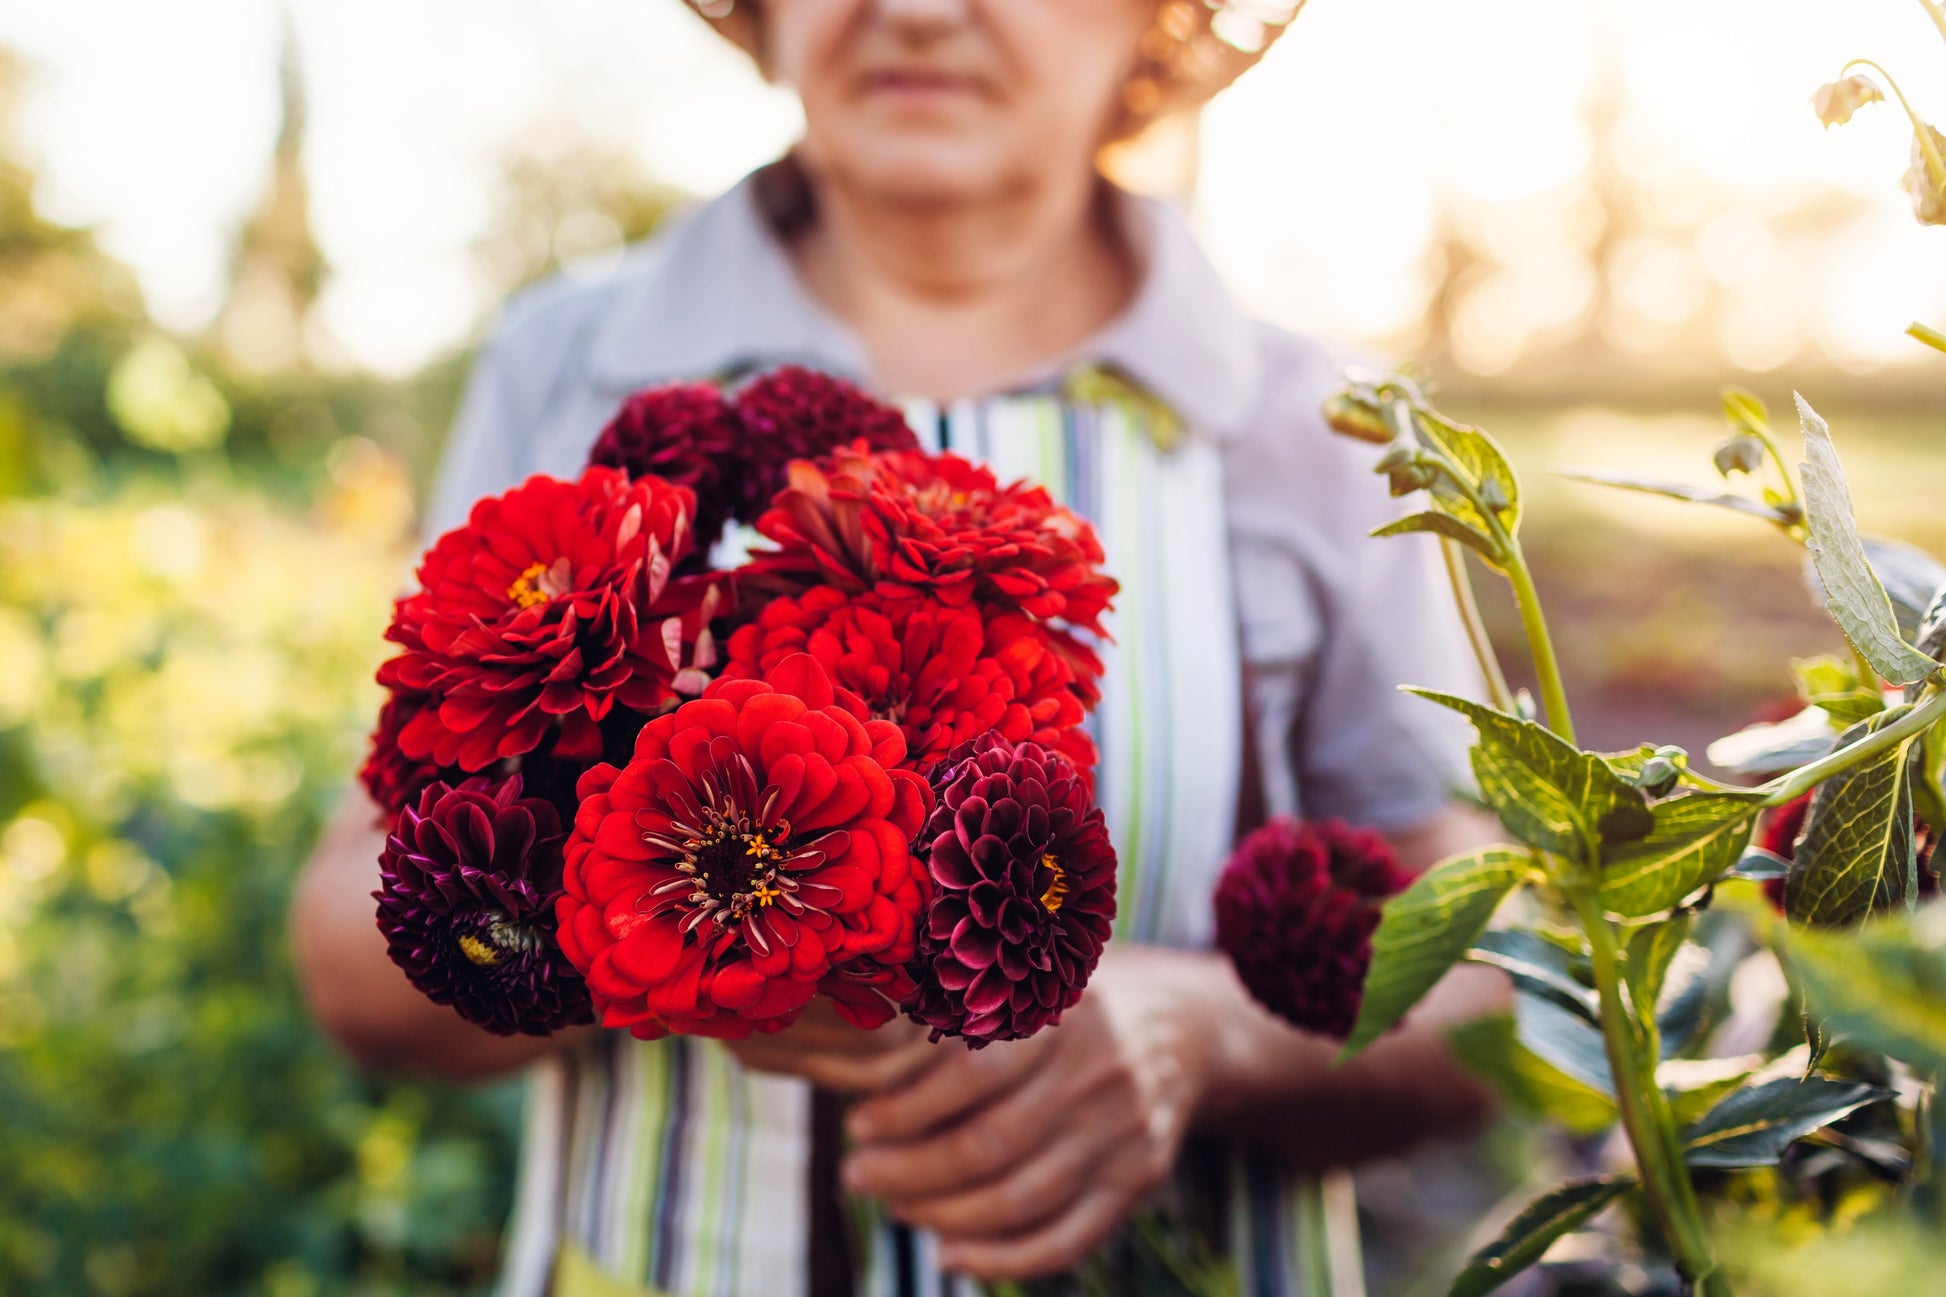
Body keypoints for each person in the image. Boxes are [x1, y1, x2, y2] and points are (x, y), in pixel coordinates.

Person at [292, 1, 1508, 1294]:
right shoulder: (570, 359)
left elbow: (1496, 975)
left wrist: (1204, 1031)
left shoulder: (1317, 425)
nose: (920, 10)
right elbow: (350, 946)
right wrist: (688, 916)